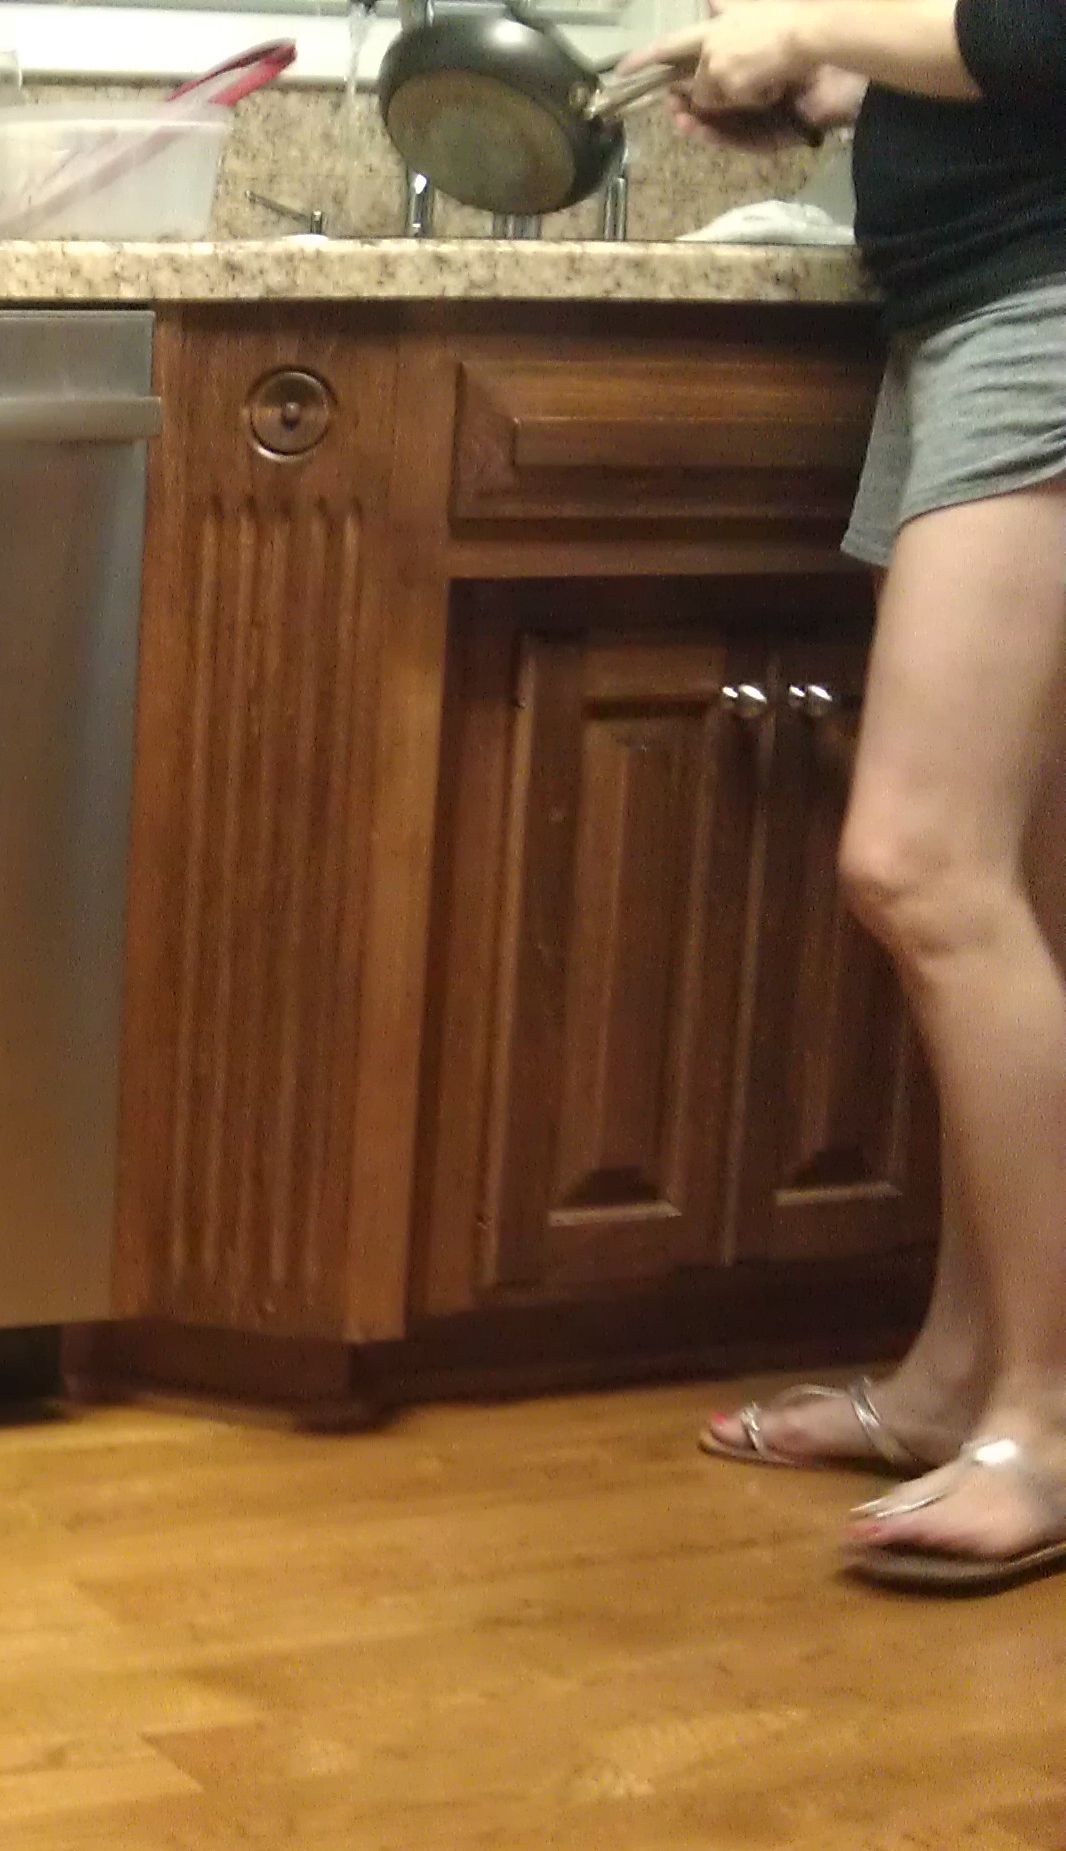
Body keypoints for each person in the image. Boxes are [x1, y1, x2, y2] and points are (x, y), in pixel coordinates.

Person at [631, 0, 1066, 1591]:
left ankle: (1053, 1419)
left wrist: (813, 22)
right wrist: (843, 79)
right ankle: (962, 1377)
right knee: (1014, 880)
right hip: (975, 301)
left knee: (920, 867)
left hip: (1042, 310)